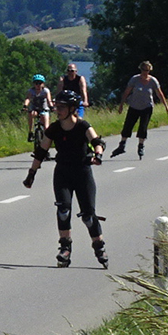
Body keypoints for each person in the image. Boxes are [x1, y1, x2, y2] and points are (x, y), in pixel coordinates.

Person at [35, 90, 107, 268]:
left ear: (72, 108)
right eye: (56, 107)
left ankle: (99, 246)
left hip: (82, 173)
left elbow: (97, 142)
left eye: (61, 107)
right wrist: (31, 174)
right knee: (63, 210)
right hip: (63, 173)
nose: (57, 110)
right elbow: (41, 151)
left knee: (88, 216)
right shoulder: (54, 128)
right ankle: (65, 248)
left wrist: (98, 155)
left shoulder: (83, 126)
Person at [110, 61, 168, 158]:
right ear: (140, 69)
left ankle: (141, 146)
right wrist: (121, 105)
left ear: (149, 70)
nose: (145, 72)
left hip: (147, 107)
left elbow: (160, 94)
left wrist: (166, 107)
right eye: (143, 70)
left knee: (143, 127)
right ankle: (122, 145)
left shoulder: (153, 81)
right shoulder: (134, 79)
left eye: (147, 70)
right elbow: (127, 92)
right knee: (128, 126)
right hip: (134, 106)